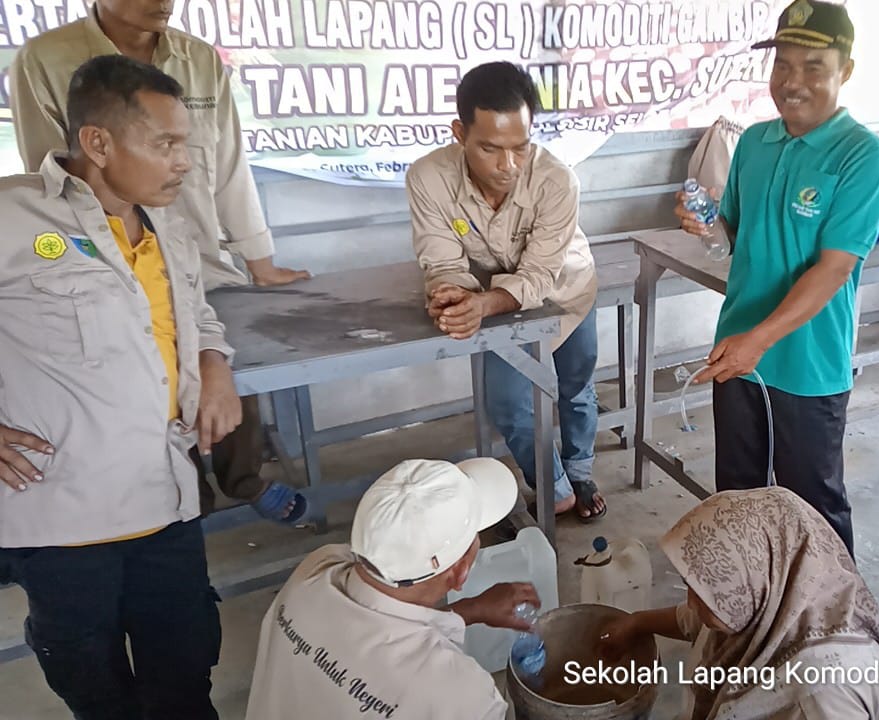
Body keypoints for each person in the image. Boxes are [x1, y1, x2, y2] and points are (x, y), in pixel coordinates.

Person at [0, 54, 241, 719]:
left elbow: (196, 315)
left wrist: (216, 363)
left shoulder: (169, 223)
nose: (183, 162)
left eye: (184, 145)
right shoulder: (13, 219)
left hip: (165, 499)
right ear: (98, 143)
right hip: (65, 517)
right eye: (165, 144)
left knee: (186, 671)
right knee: (97, 687)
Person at [10, 0, 310, 524]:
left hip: (191, 253)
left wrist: (258, 258)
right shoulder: (46, 59)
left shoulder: (199, 59)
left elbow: (229, 165)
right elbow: (51, 177)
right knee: (134, 389)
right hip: (96, 266)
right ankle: (183, 502)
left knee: (218, 371)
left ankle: (237, 481)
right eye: (166, 142)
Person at [674, 0, 879, 557]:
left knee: (813, 506)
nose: (792, 82)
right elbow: (736, 240)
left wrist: (759, 342)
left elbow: (835, 267)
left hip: (807, 365)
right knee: (739, 497)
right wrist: (706, 226)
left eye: (813, 66)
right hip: (737, 353)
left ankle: (829, 625)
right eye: (783, 66)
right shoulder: (754, 142)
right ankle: (750, 613)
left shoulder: (860, 154)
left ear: (846, 69)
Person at [407, 61, 606, 521]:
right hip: (495, 303)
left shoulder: (557, 180)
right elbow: (441, 260)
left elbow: (538, 276)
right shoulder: (428, 177)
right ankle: (554, 486)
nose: (508, 166)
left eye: (520, 147)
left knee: (575, 385)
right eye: (491, 149)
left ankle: (581, 470)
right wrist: (451, 296)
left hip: (567, 290)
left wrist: (481, 303)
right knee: (508, 400)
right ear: (459, 133)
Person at [245, 457, 540, 720]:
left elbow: (378, 636)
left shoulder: (316, 570)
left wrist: (470, 611)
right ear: (460, 572)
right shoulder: (463, 699)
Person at [599, 487, 879, 720]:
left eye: (705, 593)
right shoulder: (771, 602)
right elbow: (691, 619)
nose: (691, 601)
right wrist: (636, 622)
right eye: (692, 585)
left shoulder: (822, 696)